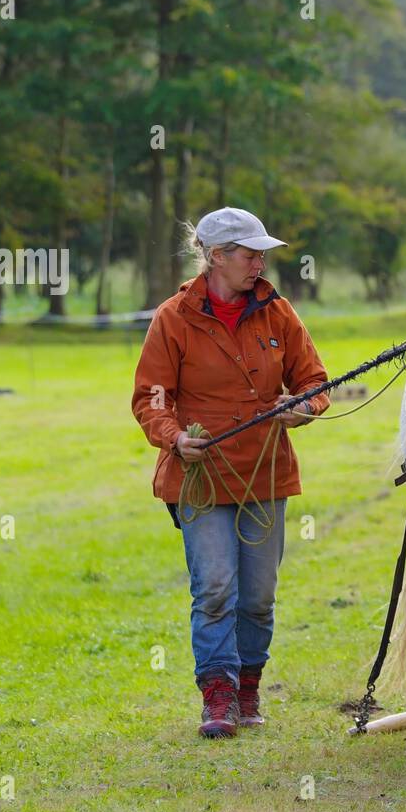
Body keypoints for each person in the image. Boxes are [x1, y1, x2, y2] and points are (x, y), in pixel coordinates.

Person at [131, 207, 330, 738]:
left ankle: (248, 688)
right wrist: (173, 436)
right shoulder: (172, 318)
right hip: (199, 478)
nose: (259, 261)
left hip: (266, 476)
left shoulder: (280, 313)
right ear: (215, 257)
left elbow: (315, 381)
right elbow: (151, 397)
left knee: (259, 595)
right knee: (216, 588)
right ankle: (217, 697)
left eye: (262, 252)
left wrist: (304, 408)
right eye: (249, 252)